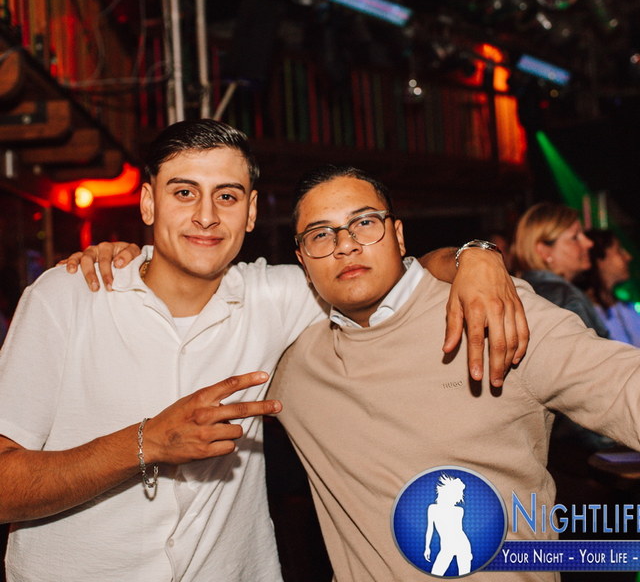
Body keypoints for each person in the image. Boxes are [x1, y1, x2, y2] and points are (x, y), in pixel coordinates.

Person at [0, 119, 526, 582]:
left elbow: (391, 269)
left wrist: (477, 257)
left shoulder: (278, 296)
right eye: (184, 192)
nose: (206, 216)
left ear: (250, 212)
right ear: (147, 202)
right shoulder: (69, 296)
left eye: (227, 197)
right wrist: (147, 442)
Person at [267, 164, 640, 581]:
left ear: (398, 235)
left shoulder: (490, 308)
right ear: (302, 260)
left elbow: (619, 383)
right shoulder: (293, 359)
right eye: (321, 235)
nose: (346, 245)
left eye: (365, 223)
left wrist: (473, 254)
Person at [511, 202, 608, 338]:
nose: (589, 243)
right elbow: (589, 350)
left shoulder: (519, 290)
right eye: (575, 237)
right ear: (544, 251)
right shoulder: (566, 296)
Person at [578, 229, 640, 346]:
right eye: (619, 251)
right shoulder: (585, 313)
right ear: (600, 260)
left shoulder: (626, 306)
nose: (628, 257)